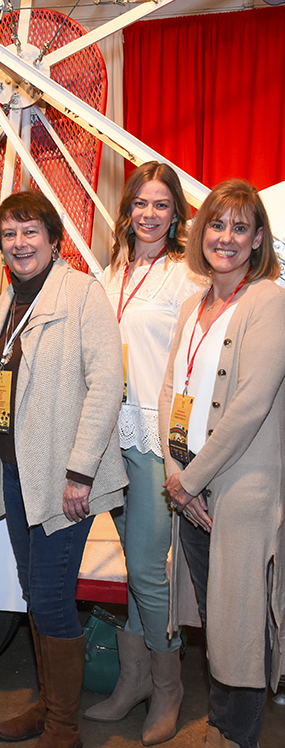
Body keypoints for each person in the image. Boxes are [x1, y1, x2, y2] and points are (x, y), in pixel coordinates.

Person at [0, 190, 127, 748]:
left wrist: (81, 472)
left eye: (30, 231)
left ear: (53, 237)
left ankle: (65, 725)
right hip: (15, 470)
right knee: (33, 591)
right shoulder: (8, 299)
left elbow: (107, 383)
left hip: (62, 478)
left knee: (53, 594)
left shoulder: (82, 293)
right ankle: (47, 703)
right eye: (9, 235)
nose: (19, 243)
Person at [159, 179, 285, 748]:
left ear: (258, 239)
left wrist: (190, 480)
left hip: (240, 490)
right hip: (191, 487)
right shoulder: (192, 304)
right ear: (200, 232)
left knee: (240, 621)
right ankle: (220, 722)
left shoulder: (270, 302)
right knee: (213, 614)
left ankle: (237, 734)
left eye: (240, 227)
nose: (226, 237)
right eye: (217, 224)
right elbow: (169, 394)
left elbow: (252, 403)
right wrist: (174, 474)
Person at [84, 162, 205, 744]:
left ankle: (168, 686)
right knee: (132, 566)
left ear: (175, 213)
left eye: (161, 204)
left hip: (156, 440)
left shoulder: (187, 276)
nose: (150, 214)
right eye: (141, 203)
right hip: (109, 435)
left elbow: (194, 363)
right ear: (127, 209)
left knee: (149, 569)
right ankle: (131, 681)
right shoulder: (108, 274)